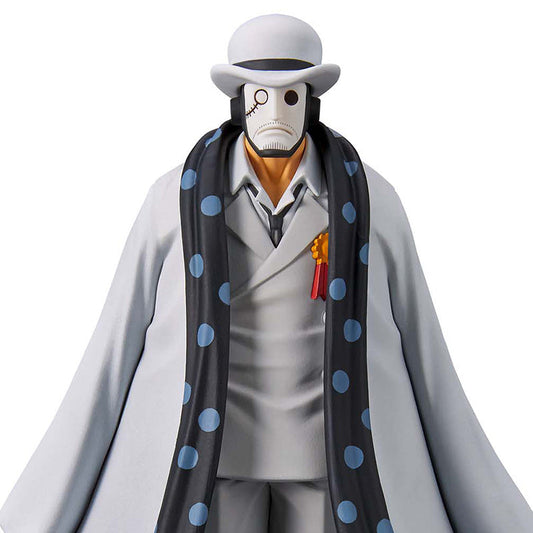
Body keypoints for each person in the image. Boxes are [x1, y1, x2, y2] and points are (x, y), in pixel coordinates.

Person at [0, 13, 531, 533]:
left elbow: (424, 349)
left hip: (327, 456)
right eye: (260, 96)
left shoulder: (372, 201)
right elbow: (114, 346)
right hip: (215, 453)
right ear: (239, 102)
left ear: (311, 103)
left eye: (290, 96)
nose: (274, 110)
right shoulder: (172, 202)